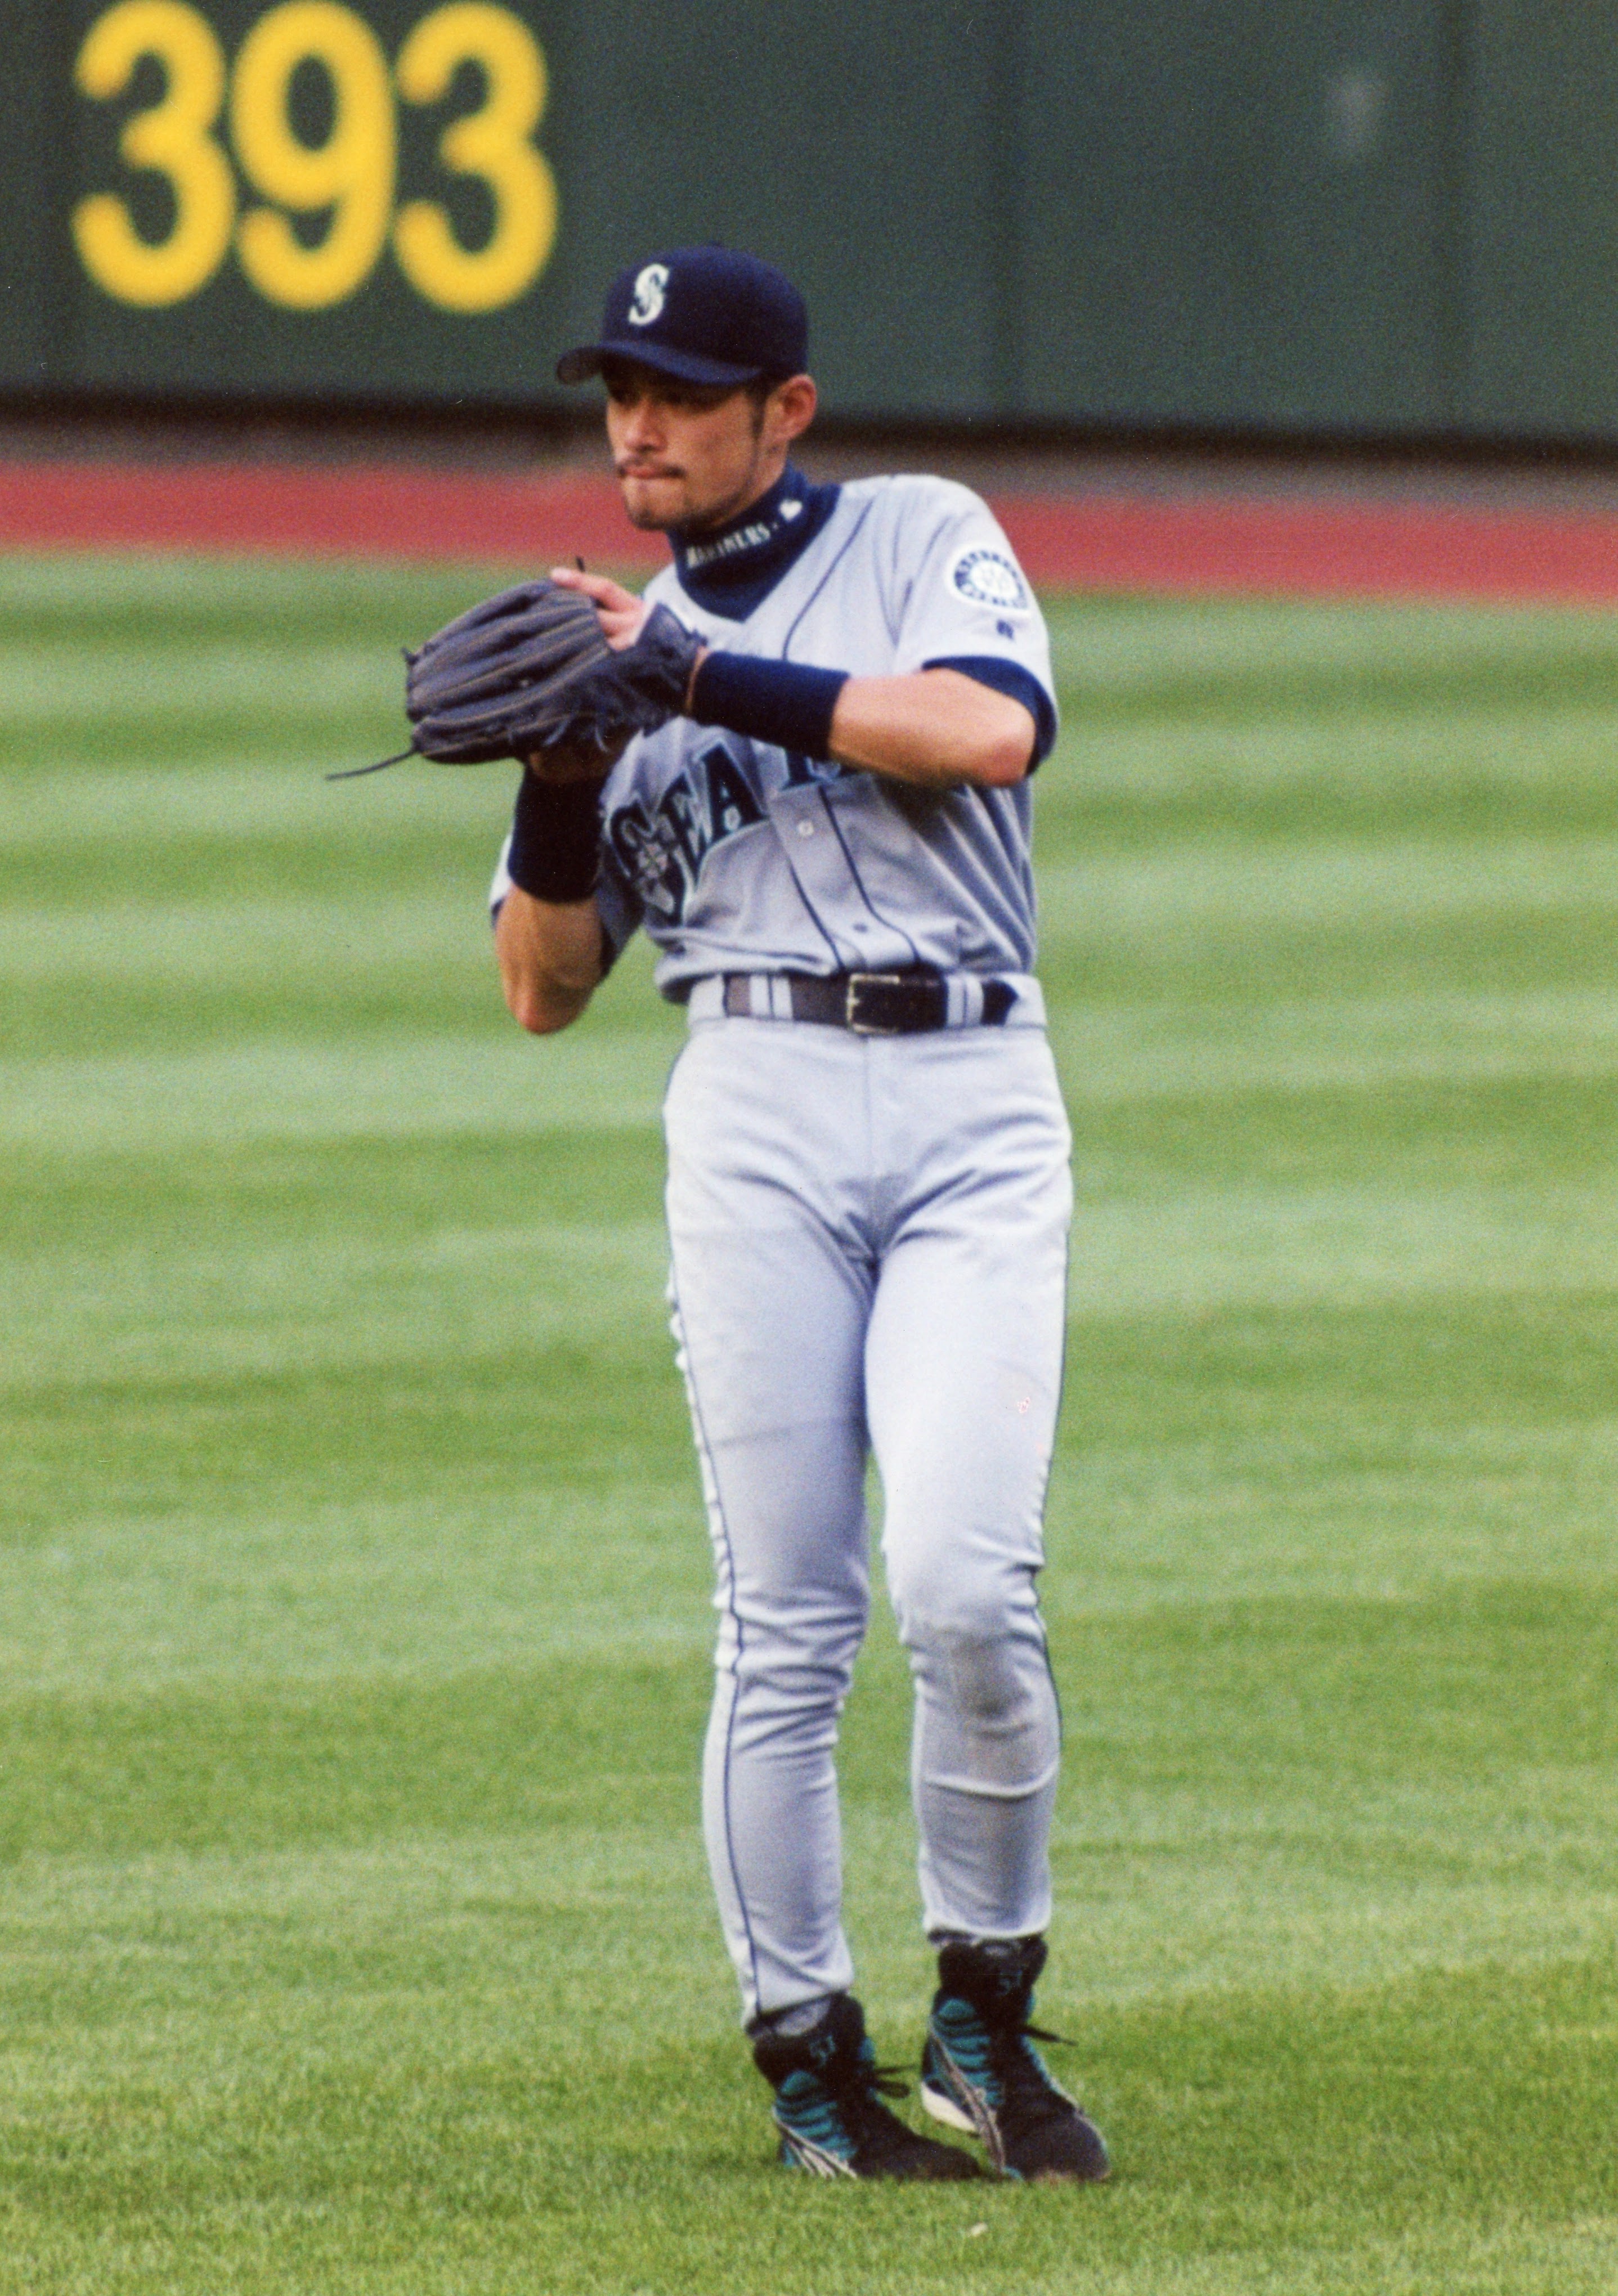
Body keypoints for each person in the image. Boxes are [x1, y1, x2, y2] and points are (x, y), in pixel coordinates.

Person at [491, 245, 1109, 2185]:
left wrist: (687, 669)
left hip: (968, 1099)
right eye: (621, 388)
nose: (638, 423)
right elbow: (541, 981)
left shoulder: (925, 534)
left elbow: (988, 733)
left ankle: (982, 2026)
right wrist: (562, 774)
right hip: (748, 1105)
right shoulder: (606, 646)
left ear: (787, 414)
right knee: (785, 1624)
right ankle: (808, 2062)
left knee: (966, 1589)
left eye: (681, 392)